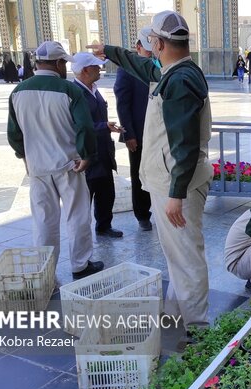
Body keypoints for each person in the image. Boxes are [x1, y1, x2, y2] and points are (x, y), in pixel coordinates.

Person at [88, 10, 213, 331]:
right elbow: (143, 67)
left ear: (158, 43)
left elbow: (183, 145)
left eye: (151, 42)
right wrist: (111, 51)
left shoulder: (180, 81)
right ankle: (177, 318)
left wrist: (176, 194)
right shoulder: (174, 71)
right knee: (178, 257)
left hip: (177, 185)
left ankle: (196, 328)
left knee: (186, 257)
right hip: (171, 181)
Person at [7, 41, 104, 280]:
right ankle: (80, 265)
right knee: (77, 216)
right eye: (64, 63)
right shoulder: (69, 90)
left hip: (38, 167)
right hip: (69, 164)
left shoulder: (18, 91)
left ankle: (45, 271)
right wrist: (87, 155)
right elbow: (84, 128)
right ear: (59, 63)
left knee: (43, 220)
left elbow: (14, 133)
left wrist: (24, 155)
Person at [72, 52, 124, 239]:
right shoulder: (74, 93)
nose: (99, 69)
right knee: (86, 196)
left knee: (106, 192)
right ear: (85, 70)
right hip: (87, 154)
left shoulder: (93, 89)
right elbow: (76, 125)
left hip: (103, 151)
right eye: (96, 66)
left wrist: (107, 126)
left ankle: (104, 226)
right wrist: (103, 126)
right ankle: (81, 233)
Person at [113, 27, 154, 232]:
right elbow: (123, 104)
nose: (151, 53)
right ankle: (142, 214)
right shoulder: (126, 70)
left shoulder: (159, 66)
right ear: (138, 47)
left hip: (159, 134)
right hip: (138, 134)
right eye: (147, 49)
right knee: (139, 175)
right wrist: (128, 134)